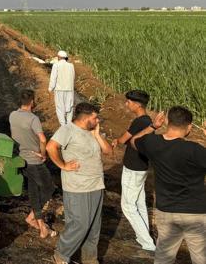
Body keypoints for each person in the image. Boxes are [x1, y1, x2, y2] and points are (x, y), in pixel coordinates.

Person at [131, 107, 206, 264]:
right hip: (196, 212)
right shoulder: (195, 150)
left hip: (166, 210)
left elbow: (133, 141)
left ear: (166, 122)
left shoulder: (153, 143)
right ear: (189, 127)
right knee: (201, 257)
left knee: (164, 258)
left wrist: (153, 127)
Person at [47, 101, 113, 264]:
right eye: (95, 118)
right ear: (87, 118)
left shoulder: (91, 132)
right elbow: (50, 147)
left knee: (93, 228)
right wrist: (63, 165)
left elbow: (108, 151)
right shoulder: (67, 130)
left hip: (96, 186)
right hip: (77, 187)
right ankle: (61, 256)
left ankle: (89, 259)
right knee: (79, 225)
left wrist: (97, 135)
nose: (98, 121)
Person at [111, 89, 156, 253]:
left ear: (137, 105)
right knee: (139, 203)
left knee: (128, 206)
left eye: (128, 102)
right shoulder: (147, 120)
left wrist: (116, 140)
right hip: (141, 166)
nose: (126, 104)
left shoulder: (140, 122)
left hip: (133, 167)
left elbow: (124, 139)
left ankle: (147, 243)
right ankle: (144, 237)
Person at [9, 89, 56, 238]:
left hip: (21, 158)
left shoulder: (12, 115)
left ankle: (36, 220)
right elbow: (43, 139)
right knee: (48, 188)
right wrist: (43, 154)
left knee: (34, 190)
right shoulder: (33, 119)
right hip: (34, 160)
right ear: (32, 102)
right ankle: (36, 219)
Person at [49, 50, 75, 126]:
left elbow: (53, 78)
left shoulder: (56, 65)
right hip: (69, 89)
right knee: (69, 106)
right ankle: (69, 123)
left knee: (60, 107)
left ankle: (63, 125)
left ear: (59, 57)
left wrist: (50, 88)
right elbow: (73, 77)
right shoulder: (71, 65)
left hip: (59, 89)